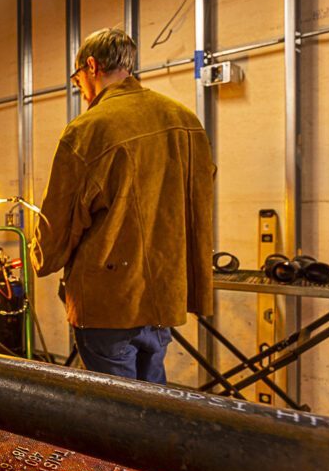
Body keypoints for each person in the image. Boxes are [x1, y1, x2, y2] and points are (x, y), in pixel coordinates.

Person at [29, 28, 214, 384]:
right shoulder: (185, 121)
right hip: (162, 297)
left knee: (112, 415)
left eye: (78, 78)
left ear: (92, 66)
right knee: (151, 402)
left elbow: (60, 223)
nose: (80, 90)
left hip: (107, 303)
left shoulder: (87, 129)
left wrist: (41, 256)